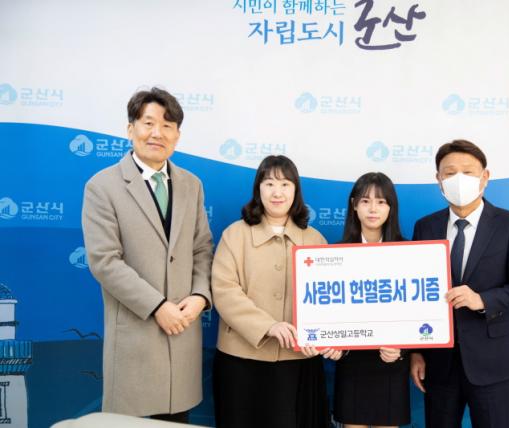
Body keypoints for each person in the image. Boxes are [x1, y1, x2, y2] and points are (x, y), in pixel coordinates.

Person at [81, 87, 213, 422]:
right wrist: (157, 306)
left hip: (182, 338)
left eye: (168, 125)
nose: (157, 133)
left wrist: (200, 296)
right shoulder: (103, 186)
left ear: (177, 135)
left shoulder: (191, 185)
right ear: (131, 129)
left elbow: (201, 248)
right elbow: (104, 261)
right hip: (136, 342)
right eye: (149, 123)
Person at [410, 140, 509, 428]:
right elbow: (416, 293)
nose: (459, 179)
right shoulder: (425, 227)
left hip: (492, 360)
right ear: (438, 180)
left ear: (485, 177)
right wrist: (416, 352)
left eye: (468, 172)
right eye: (449, 173)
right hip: (439, 363)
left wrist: (482, 300)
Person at [211, 155, 342, 428]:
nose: (277, 192)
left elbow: (330, 297)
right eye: (269, 183)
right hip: (241, 360)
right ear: (258, 189)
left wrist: (329, 337)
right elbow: (224, 290)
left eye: (285, 184)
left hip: (299, 360)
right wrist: (268, 326)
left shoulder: (314, 239)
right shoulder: (235, 234)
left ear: (296, 190)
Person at [333, 172, 410, 428]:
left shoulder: (410, 253)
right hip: (352, 364)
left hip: (392, 362)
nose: (373, 209)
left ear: (391, 207)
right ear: (354, 205)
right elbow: (329, 313)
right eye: (365, 201)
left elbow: (419, 312)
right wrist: (333, 344)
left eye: (381, 201)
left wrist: (402, 349)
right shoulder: (336, 255)